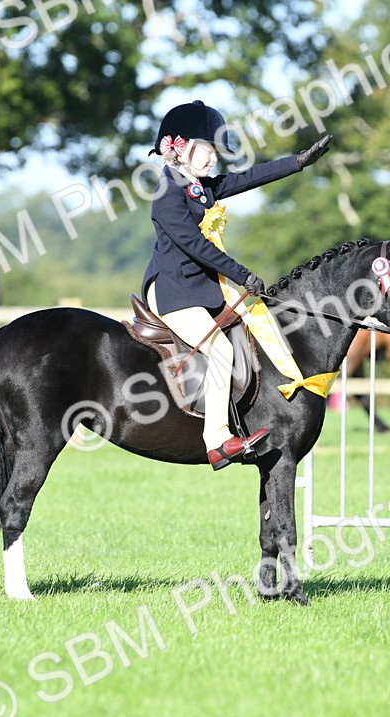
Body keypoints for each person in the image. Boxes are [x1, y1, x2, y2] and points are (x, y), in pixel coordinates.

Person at [142, 100, 331, 470]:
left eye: (214, 151)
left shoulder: (198, 187)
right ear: (181, 149)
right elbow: (194, 246)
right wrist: (242, 274)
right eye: (207, 150)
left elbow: (247, 178)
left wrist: (297, 163)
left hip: (199, 288)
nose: (214, 158)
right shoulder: (167, 193)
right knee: (222, 352)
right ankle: (217, 440)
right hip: (173, 290)